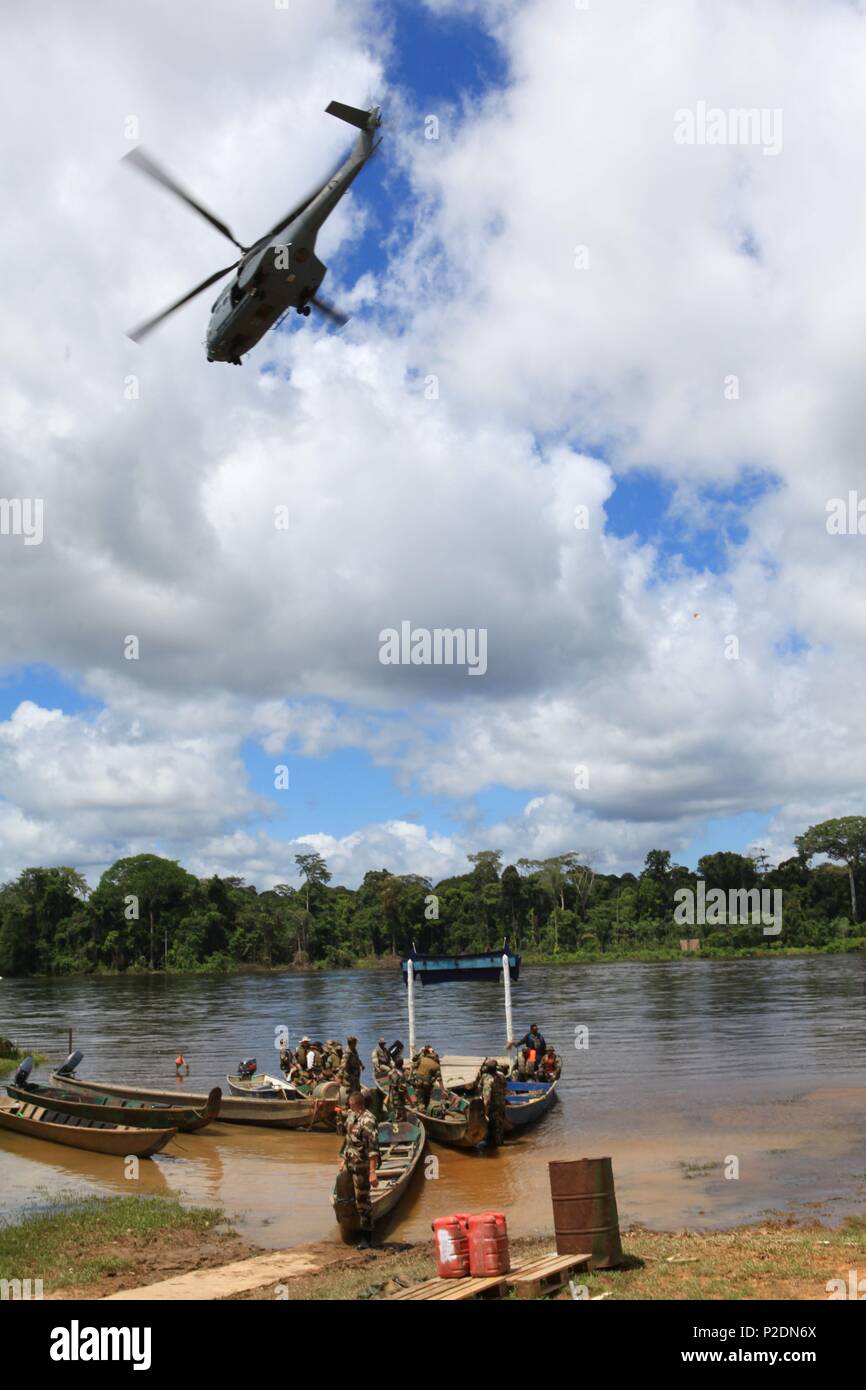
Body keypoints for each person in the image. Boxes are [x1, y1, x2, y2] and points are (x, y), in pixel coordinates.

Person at [338, 1090, 380, 1248]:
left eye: (351, 1104)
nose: (349, 1106)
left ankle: (367, 1239)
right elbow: (348, 1140)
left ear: (357, 1104)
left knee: (363, 1202)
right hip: (350, 1164)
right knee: (349, 1198)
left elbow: (373, 1149)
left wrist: (372, 1172)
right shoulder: (351, 1117)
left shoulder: (368, 1120)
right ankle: (351, 1228)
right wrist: (343, 1159)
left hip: (362, 1166)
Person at [411, 1044, 442, 1111]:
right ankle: (426, 1108)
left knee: (419, 1095)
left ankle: (420, 1107)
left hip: (418, 1080)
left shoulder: (423, 1059)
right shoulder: (436, 1065)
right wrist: (442, 1089)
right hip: (427, 1083)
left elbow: (414, 1065)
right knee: (427, 1096)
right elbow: (439, 1079)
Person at [385, 1056, 409, 1121]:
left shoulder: (390, 1072)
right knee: (401, 1117)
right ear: (401, 1065)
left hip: (391, 1096)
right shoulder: (401, 1075)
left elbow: (389, 1085)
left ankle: (393, 1121)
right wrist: (410, 1100)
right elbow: (402, 1090)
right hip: (398, 1099)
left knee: (394, 1112)